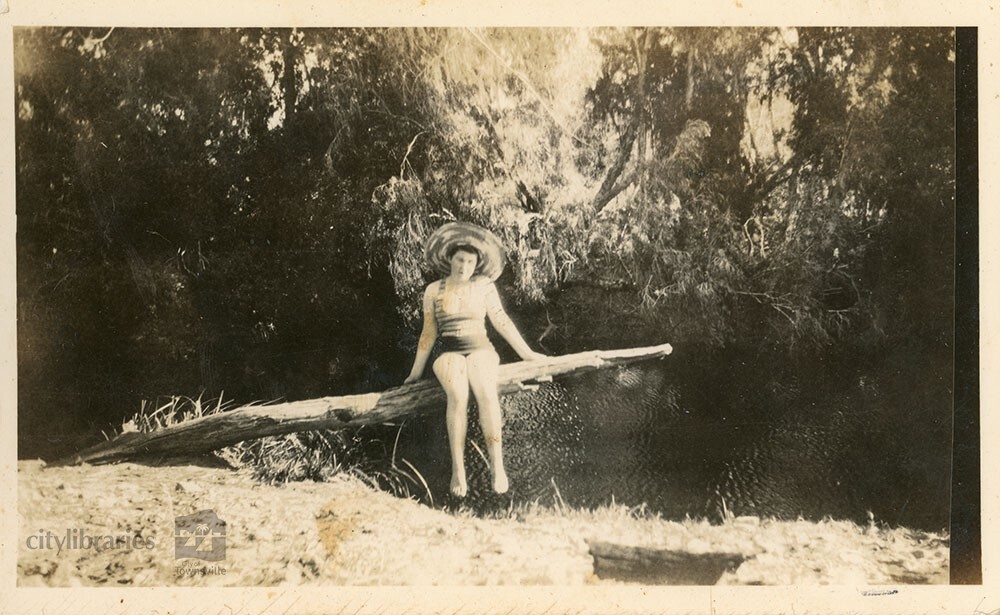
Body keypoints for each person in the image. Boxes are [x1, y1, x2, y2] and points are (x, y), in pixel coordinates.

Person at [403, 221, 545, 497]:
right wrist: (415, 372)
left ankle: (497, 466)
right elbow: (428, 333)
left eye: (470, 261)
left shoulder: (484, 286)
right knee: (457, 395)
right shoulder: (434, 290)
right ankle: (459, 470)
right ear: (450, 259)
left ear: (476, 264)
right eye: (459, 260)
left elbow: (501, 322)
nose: (463, 266)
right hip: (448, 352)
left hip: (482, 349)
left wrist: (528, 354)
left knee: (485, 391)